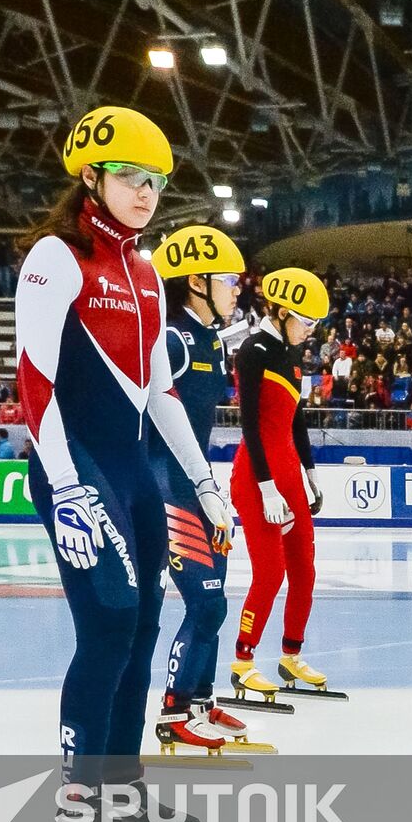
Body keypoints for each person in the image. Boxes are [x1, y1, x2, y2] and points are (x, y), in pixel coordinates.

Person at [15, 107, 233, 806]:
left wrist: (204, 486)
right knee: (108, 619)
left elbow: (160, 392)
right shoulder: (57, 258)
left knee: (141, 627)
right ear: (91, 176)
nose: (145, 193)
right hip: (77, 466)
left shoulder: (144, 274)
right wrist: (67, 485)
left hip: (136, 475)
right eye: (131, 178)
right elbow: (35, 382)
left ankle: (120, 790)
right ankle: (77, 799)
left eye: (157, 182)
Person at [148, 225, 248, 752]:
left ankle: (202, 701)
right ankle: (173, 712)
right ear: (196, 281)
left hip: (201, 485)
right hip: (168, 487)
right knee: (204, 603)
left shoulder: (212, 340)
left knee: (217, 600)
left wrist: (213, 489)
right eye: (230, 280)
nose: (238, 289)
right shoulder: (170, 339)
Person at [229, 268, 330, 703]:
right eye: (306, 323)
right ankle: (242, 662)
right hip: (257, 476)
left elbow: (297, 418)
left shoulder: (291, 354)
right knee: (270, 574)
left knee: (305, 572)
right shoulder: (253, 350)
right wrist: (267, 485)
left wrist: (309, 473)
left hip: (288, 474)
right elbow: (250, 422)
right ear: (284, 311)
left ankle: (291, 655)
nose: (311, 333)